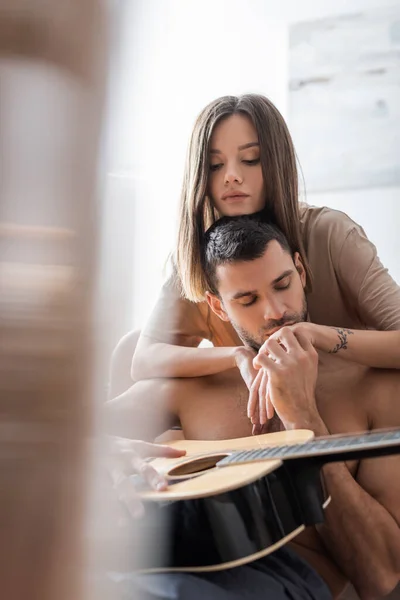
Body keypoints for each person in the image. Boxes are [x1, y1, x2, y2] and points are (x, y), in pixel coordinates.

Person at [107, 216, 400, 600]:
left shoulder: (375, 387)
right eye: (247, 299)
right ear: (219, 307)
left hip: (282, 579)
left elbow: (381, 575)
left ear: (301, 270)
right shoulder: (193, 387)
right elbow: (53, 438)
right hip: (154, 561)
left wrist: (303, 419)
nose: (275, 312)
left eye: (283, 285)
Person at [129, 94, 400, 405]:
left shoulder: (331, 234)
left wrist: (316, 335)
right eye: (215, 165)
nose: (231, 175)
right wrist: (237, 356)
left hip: (360, 414)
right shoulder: (196, 260)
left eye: (250, 159)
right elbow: (144, 359)